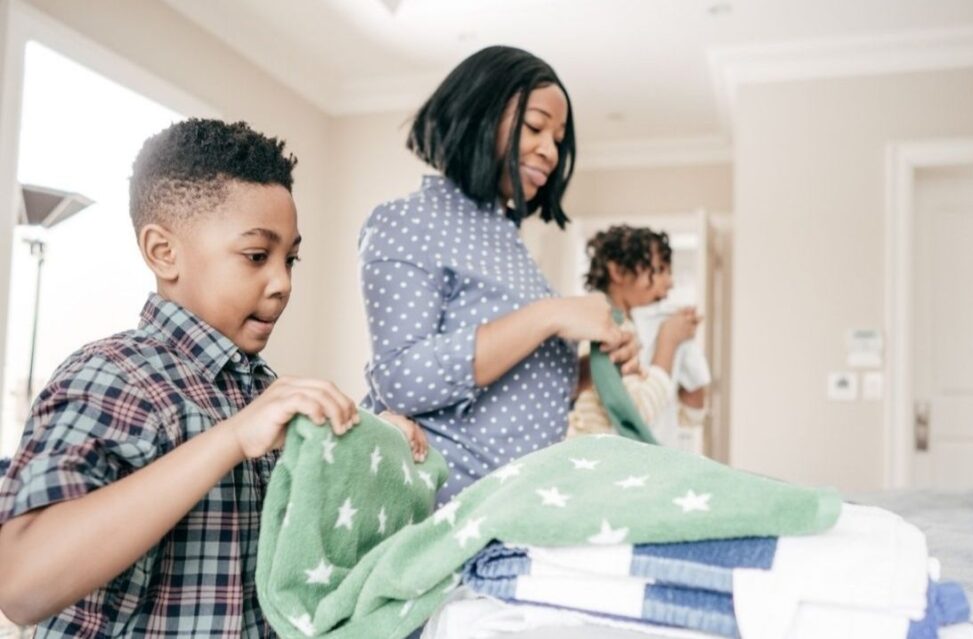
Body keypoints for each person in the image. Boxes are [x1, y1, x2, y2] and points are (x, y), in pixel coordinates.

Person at [0, 118, 424, 635]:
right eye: (256, 256)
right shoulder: (114, 375)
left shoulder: (266, 393)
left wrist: (375, 451)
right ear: (163, 251)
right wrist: (231, 438)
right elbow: (20, 585)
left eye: (291, 259)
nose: (282, 282)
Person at [359, 46, 638, 504]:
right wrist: (550, 314)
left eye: (558, 138)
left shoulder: (509, 244)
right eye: (535, 128)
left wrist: (596, 368)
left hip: (512, 505)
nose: (550, 150)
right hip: (447, 511)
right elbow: (400, 379)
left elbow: (519, 393)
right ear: (478, 113)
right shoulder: (406, 221)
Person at [570, 226, 709, 450]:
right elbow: (636, 413)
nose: (670, 282)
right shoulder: (602, 327)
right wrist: (669, 341)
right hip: (595, 463)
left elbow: (689, 416)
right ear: (617, 271)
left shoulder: (621, 325)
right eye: (660, 269)